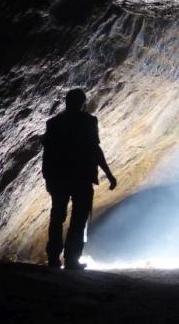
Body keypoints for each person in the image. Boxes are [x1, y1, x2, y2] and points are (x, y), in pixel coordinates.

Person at [41, 88, 117, 270]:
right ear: (83, 103)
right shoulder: (88, 121)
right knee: (79, 218)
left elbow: (47, 151)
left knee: (57, 216)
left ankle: (53, 258)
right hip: (81, 177)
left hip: (59, 177)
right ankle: (72, 259)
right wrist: (109, 173)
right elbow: (94, 149)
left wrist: (48, 177)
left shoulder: (53, 123)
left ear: (66, 102)